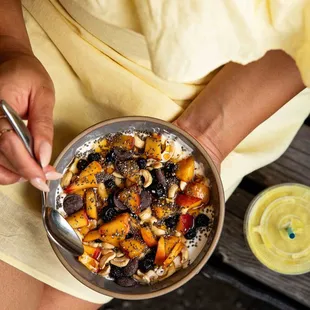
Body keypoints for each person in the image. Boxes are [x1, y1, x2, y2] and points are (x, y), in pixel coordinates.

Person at [0, 0, 309, 309]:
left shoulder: (169, 199)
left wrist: (205, 140)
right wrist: (10, 45)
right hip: (46, 37)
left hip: (231, 100)